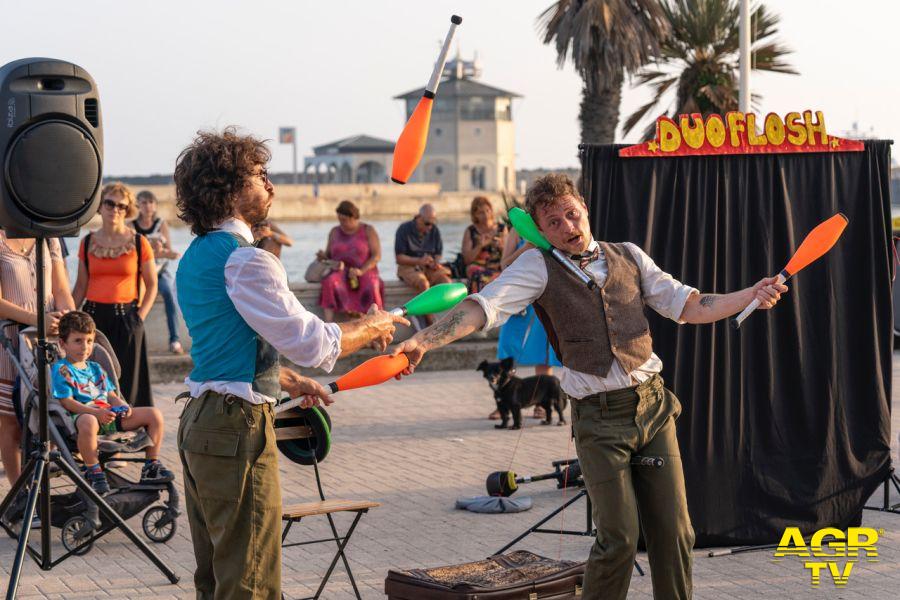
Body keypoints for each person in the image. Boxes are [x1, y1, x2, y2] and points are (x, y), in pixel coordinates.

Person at [392, 174, 788, 600]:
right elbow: (482, 308)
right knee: (618, 539)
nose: (567, 226)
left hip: (653, 408)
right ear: (540, 231)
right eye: (554, 223)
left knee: (676, 533)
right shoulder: (535, 266)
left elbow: (690, 305)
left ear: (584, 208)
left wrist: (749, 294)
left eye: (571, 214)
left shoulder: (630, 256)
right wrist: (423, 341)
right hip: (599, 420)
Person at [173, 128, 407, 600]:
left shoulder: (194, 256)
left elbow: (223, 347)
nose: (270, 185)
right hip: (235, 428)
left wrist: (288, 380)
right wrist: (372, 327)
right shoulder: (246, 260)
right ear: (231, 188)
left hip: (199, 422)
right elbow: (313, 343)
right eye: (260, 175)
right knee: (250, 583)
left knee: (216, 579)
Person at [51, 311, 173, 495]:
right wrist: (95, 413)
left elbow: (110, 394)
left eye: (89, 341)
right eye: (78, 341)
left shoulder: (96, 368)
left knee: (154, 414)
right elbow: (66, 402)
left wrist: (122, 405)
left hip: (108, 417)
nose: (85, 347)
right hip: (81, 418)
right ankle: (94, 471)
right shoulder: (61, 369)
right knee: (88, 421)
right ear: (62, 343)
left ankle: (151, 466)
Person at [72, 182, 158, 408]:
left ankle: (134, 434)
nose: (115, 209)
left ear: (128, 210)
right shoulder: (87, 242)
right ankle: (98, 434)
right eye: (109, 203)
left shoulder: (140, 243)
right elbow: (80, 286)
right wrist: (69, 320)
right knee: (93, 382)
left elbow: (152, 285)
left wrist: (139, 317)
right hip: (92, 320)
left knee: (129, 382)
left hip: (127, 318)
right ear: (100, 206)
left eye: (122, 206)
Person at [0, 234, 75, 486]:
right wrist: (36, 319)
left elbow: (62, 289)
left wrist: (70, 323)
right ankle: (18, 493)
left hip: (48, 339)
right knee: (10, 421)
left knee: (47, 411)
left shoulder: (48, 238)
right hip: (8, 340)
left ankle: (40, 488)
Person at [490, 227, 562, 421]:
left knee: (542, 352)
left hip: (545, 297)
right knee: (508, 348)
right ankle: (503, 403)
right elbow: (505, 265)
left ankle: (541, 402)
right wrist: (528, 246)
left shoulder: (553, 225)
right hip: (518, 297)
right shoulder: (517, 230)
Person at [133, 190, 184, 354]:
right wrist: (156, 252)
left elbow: (169, 251)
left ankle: (174, 340)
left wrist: (163, 253)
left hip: (160, 271)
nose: (148, 206)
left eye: (151, 202)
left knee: (169, 293)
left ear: (155, 205)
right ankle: (135, 340)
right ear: (138, 205)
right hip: (139, 272)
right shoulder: (131, 226)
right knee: (134, 301)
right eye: (144, 203)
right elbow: (132, 253)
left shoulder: (161, 224)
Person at [318, 200, 385, 321]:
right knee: (330, 281)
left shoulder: (368, 230)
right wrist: (322, 256)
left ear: (353, 217)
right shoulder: (334, 231)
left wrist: (361, 271)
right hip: (341, 270)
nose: (341, 223)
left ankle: (374, 320)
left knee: (371, 283)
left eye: (344, 220)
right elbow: (328, 255)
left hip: (364, 270)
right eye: (339, 220)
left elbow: (376, 256)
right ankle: (328, 324)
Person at [395, 203, 452, 325]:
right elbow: (399, 258)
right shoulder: (404, 229)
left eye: (433, 223)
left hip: (428, 266)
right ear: (418, 217)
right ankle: (431, 323)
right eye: (427, 223)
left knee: (447, 283)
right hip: (409, 266)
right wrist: (419, 261)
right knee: (423, 283)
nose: (430, 227)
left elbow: (438, 253)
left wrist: (435, 262)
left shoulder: (434, 230)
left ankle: (444, 319)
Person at [461, 196, 506, 293]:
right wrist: (479, 246)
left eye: (487, 210)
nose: (485, 215)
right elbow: (467, 260)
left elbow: (508, 254)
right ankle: (479, 303)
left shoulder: (502, 228)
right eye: (481, 212)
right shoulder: (471, 231)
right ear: (475, 215)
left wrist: (501, 246)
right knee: (476, 273)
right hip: (477, 267)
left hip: (497, 266)